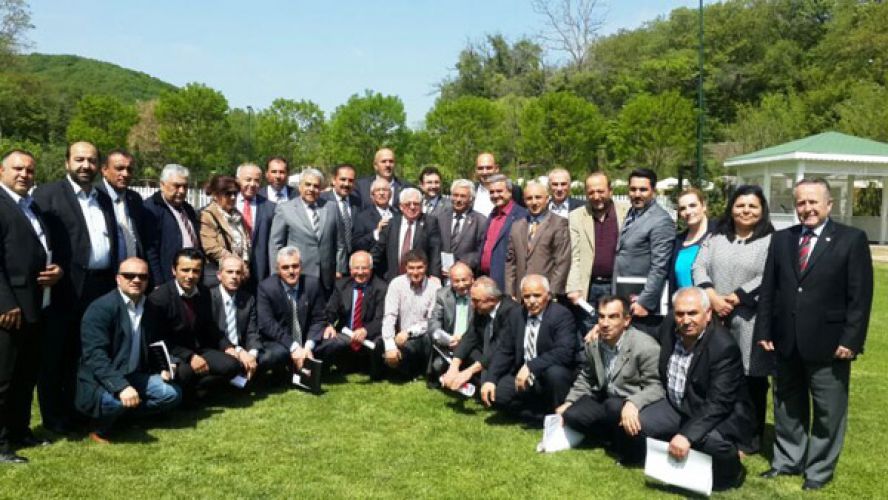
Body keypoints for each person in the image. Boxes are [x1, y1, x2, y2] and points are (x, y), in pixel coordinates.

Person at [754, 178, 873, 490]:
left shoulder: (851, 239)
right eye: (801, 203)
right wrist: (765, 329)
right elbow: (769, 289)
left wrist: (851, 340)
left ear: (829, 204)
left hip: (829, 343)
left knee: (827, 411)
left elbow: (860, 297)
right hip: (785, 340)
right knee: (786, 405)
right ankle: (787, 461)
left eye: (813, 202)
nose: (806, 208)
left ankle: (818, 470)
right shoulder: (782, 239)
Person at [34, 141, 119, 434]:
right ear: (67, 162)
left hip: (99, 286)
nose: (86, 165)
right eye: (79, 159)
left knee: (86, 354)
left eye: (91, 160)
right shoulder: (47, 194)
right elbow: (37, 238)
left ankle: (79, 409)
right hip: (64, 288)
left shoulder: (103, 198)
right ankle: (54, 417)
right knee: (55, 355)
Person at [640, 287, 751, 492]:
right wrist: (601, 329)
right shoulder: (670, 325)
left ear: (708, 314)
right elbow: (644, 329)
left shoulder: (723, 347)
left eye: (692, 313)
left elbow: (719, 404)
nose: (685, 320)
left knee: (711, 443)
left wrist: (687, 435)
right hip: (678, 406)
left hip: (716, 415)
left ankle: (732, 469)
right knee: (640, 422)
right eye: (680, 313)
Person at [692, 185, 774, 454]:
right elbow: (699, 266)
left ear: (762, 210)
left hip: (750, 320)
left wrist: (737, 297)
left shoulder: (771, 241)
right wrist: (712, 297)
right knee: (717, 376)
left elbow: (768, 275)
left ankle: (750, 437)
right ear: (731, 208)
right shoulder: (716, 236)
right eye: (740, 205)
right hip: (715, 316)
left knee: (750, 381)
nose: (746, 211)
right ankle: (720, 429)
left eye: (752, 206)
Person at [75, 258, 181, 444]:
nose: (136, 280)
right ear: (118, 279)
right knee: (115, 402)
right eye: (129, 275)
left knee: (171, 394)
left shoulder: (150, 308)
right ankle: (98, 427)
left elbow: (156, 342)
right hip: (101, 379)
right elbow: (95, 356)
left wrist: (166, 365)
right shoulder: (101, 308)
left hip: (134, 374)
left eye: (142, 276)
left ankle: (125, 418)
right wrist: (121, 387)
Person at [0, 150, 62, 462]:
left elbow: (41, 248)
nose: (24, 174)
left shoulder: (31, 205)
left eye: (29, 170)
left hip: (36, 303)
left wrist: (57, 270)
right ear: (1, 171)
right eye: (17, 168)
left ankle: (20, 430)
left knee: (26, 376)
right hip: (9, 308)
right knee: (4, 378)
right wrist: (4, 302)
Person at [556, 296, 662, 463]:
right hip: (606, 398)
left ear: (626, 320)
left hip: (632, 404)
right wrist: (569, 402)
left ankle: (625, 445)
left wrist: (633, 403)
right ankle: (609, 438)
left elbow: (656, 386)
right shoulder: (593, 343)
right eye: (601, 316)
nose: (605, 323)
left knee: (613, 406)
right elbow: (587, 377)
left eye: (613, 317)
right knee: (571, 415)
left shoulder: (645, 347)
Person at [480, 275, 577, 422]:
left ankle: (556, 415)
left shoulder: (561, 315)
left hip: (548, 375)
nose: (531, 301)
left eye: (537, 295)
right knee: (497, 396)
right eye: (527, 296)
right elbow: (505, 350)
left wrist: (531, 366)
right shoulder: (516, 315)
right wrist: (490, 379)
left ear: (548, 295)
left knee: (556, 374)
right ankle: (537, 415)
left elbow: (564, 352)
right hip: (522, 377)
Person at [148, 249, 241, 400]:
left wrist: (227, 346)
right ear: (174, 270)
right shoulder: (159, 298)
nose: (190, 276)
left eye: (196, 271)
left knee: (233, 365)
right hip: (175, 354)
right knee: (185, 374)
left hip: (199, 349)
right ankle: (193, 394)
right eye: (185, 270)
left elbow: (210, 326)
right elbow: (159, 339)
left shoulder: (204, 292)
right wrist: (190, 357)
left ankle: (198, 391)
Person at [613, 168, 674, 336]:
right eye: (633, 189)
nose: (637, 194)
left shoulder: (661, 221)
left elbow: (659, 267)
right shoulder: (631, 213)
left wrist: (645, 302)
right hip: (625, 296)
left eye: (643, 189)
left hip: (643, 307)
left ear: (653, 191)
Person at [268, 168, 346, 295]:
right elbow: (275, 245)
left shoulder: (331, 207)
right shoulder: (285, 209)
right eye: (308, 184)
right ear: (300, 186)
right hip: (298, 275)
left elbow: (340, 243)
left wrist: (339, 269)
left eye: (316, 186)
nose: (311, 189)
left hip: (326, 276)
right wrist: (277, 274)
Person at [441, 277, 523, 395]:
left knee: (498, 393)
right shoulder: (481, 309)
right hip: (484, 352)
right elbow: (470, 336)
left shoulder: (512, 312)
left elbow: (499, 348)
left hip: (505, 359)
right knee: (460, 352)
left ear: (492, 300)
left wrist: (468, 372)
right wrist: (454, 367)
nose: (472, 305)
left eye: (476, 301)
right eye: (472, 299)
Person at [566, 172, 627, 332]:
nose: (596, 196)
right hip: (589, 286)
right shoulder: (576, 217)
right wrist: (573, 286)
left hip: (617, 284)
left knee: (617, 330)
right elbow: (574, 255)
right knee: (588, 332)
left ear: (610, 191)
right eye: (591, 192)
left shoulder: (626, 213)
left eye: (600, 191)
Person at [256, 247, 327, 377]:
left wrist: (307, 347)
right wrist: (294, 346)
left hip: (306, 339)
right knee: (273, 355)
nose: (291, 271)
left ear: (301, 266)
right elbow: (267, 324)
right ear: (278, 269)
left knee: (335, 343)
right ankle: (283, 371)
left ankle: (317, 365)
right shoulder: (266, 288)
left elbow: (319, 319)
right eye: (285, 267)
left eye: (295, 266)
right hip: (282, 341)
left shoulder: (313, 284)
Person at [378, 250, 441, 379]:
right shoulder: (396, 284)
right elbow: (390, 316)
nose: (415, 272)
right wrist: (390, 345)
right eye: (411, 268)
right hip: (398, 335)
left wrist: (409, 332)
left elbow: (431, 321)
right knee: (379, 347)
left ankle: (418, 369)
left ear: (426, 267)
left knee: (414, 346)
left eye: (419, 267)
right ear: (405, 267)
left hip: (421, 336)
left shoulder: (435, 288)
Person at [323, 251, 388, 374]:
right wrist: (329, 325)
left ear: (371, 269)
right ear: (350, 269)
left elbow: (381, 319)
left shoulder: (381, 288)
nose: (360, 272)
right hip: (347, 335)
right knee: (327, 337)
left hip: (369, 336)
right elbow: (330, 311)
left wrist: (366, 330)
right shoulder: (341, 285)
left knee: (379, 344)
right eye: (356, 268)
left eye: (364, 268)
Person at [504, 181, 570, 299]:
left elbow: (562, 263)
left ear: (547, 199)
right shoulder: (516, 226)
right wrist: (510, 293)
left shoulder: (559, 224)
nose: (534, 202)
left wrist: (551, 293)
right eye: (529, 198)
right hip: (521, 294)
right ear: (524, 201)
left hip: (545, 294)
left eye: (538, 197)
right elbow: (510, 262)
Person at [143, 164, 201, 286]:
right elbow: (150, 251)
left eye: (185, 186)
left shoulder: (187, 209)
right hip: (167, 280)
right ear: (162, 185)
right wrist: (158, 283)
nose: (182, 191)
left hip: (191, 276)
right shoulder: (151, 209)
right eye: (177, 186)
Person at [370, 187, 442, 281]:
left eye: (416, 204)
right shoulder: (391, 224)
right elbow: (378, 250)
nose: (412, 207)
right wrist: (365, 265)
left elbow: (435, 252)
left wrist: (435, 276)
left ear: (421, 205)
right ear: (401, 206)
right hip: (394, 279)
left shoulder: (430, 223)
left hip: (420, 279)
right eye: (408, 204)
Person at [208, 256, 262, 382]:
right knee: (230, 364)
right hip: (218, 348)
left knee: (268, 356)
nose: (234, 276)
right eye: (229, 272)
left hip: (242, 347)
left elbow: (252, 331)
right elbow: (212, 334)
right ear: (219, 275)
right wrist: (238, 351)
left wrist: (252, 355)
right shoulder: (208, 297)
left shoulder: (248, 299)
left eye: (238, 273)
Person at [478, 174, 529, 292]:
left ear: (510, 192)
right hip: (487, 278)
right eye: (492, 192)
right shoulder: (492, 214)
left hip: (507, 282)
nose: (495, 195)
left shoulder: (521, 216)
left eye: (499, 191)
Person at [95, 149, 147, 262]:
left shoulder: (135, 199)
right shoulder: (94, 196)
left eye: (129, 169)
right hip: (104, 268)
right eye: (119, 168)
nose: (125, 174)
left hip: (133, 268)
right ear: (104, 170)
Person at [199, 175, 251, 288]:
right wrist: (236, 263)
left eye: (235, 193)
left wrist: (244, 263)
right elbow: (211, 248)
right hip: (218, 274)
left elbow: (245, 243)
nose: (233, 197)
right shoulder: (208, 215)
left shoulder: (237, 215)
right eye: (228, 193)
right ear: (215, 195)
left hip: (239, 273)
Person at [425, 262, 474, 382]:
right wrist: (447, 339)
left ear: (472, 279)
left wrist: (464, 340)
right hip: (449, 345)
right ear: (450, 281)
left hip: (472, 344)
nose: (461, 284)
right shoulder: (442, 295)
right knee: (437, 367)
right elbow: (434, 323)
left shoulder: (478, 295)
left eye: (464, 280)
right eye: (456, 281)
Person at [435, 179, 486, 276]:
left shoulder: (480, 221)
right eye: (455, 195)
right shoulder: (441, 218)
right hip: (442, 274)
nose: (458, 200)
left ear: (471, 199)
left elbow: (481, 251)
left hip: (466, 274)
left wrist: (460, 264)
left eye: (463, 196)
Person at [668, 188, 713, 297]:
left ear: (704, 206)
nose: (688, 212)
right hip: (683, 304)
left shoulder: (719, 233)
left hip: (714, 303)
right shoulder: (677, 241)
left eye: (692, 205)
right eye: (683, 208)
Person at [235, 163, 275, 284]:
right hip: (234, 268)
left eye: (257, 180)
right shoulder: (228, 204)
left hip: (261, 272)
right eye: (248, 180)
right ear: (237, 180)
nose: (252, 184)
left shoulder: (271, 207)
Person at [320, 164, 363, 263]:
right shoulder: (322, 201)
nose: (347, 184)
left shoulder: (358, 202)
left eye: (351, 180)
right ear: (334, 180)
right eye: (343, 179)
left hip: (353, 260)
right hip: (330, 260)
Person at [352, 178, 398, 253]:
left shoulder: (398, 214)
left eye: (385, 190)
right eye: (378, 190)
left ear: (390, 194)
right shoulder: (362, 217)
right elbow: (356, 245)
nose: (381, 193)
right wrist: (376, 233)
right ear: (372, 195)